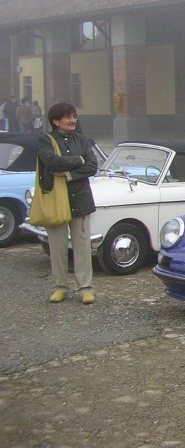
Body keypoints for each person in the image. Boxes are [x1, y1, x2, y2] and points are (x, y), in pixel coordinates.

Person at [37, 102, 99, 304]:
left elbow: (93, 166)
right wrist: (79, 160)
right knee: (57, 247)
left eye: (74, 116)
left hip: (80, 199)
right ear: (56, 121)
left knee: (82, 247)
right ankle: (60, 287)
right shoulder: (45, 140)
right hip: (56, 200)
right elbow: (52, 162)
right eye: (68, 117)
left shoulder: (83, 140)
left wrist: (68, 174)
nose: (73, 120)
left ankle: (85, 288)